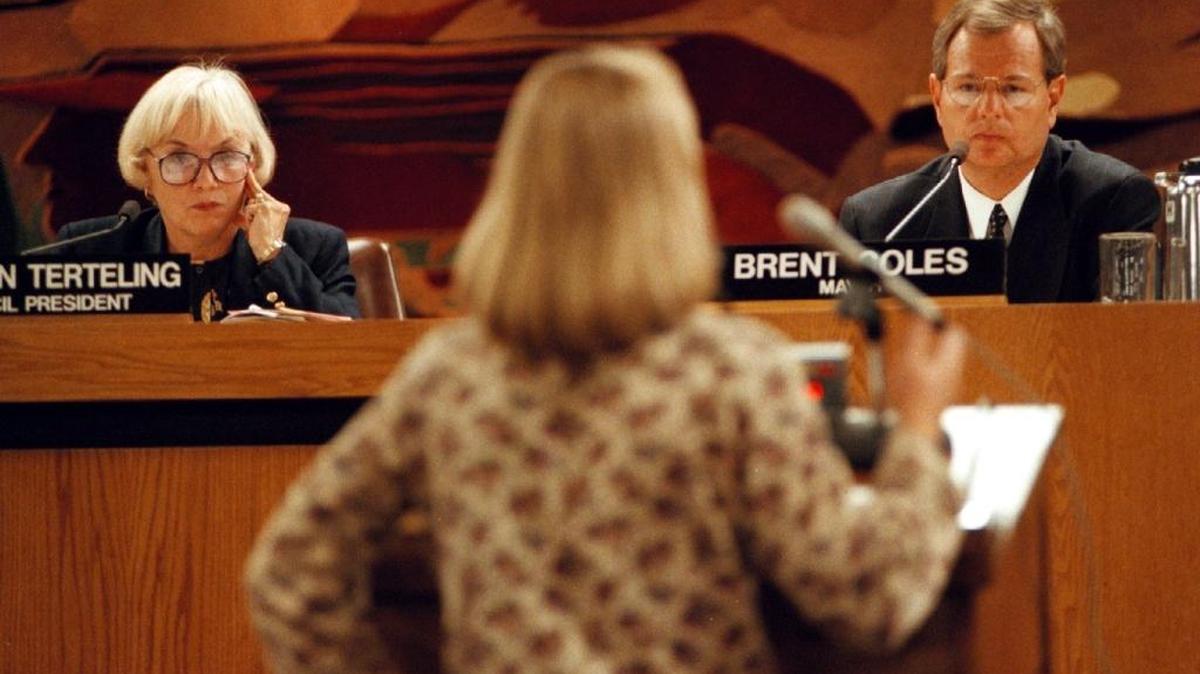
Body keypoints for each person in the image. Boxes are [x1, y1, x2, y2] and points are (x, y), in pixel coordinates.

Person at [245, 45, 967, 674]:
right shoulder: (732, 373)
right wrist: (915, 431)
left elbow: (288, 573)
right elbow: (867, 598)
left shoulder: (451, 375)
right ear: (673, 188)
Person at [839, 0, 1160, 303]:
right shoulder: (880, 224)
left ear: (1053, 98)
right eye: (968, 88)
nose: (989, 110)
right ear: (937, 98)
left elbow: (1124, 345)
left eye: (1012, 89)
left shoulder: (1113, 203)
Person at [52, 62, 359, 321]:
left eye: (226, 157)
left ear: (252, 164)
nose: (206, 182)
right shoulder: (89, 252)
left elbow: (351, 353)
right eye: (179, 159)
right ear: (145, 170)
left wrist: (273, 256)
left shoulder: (314, 248)